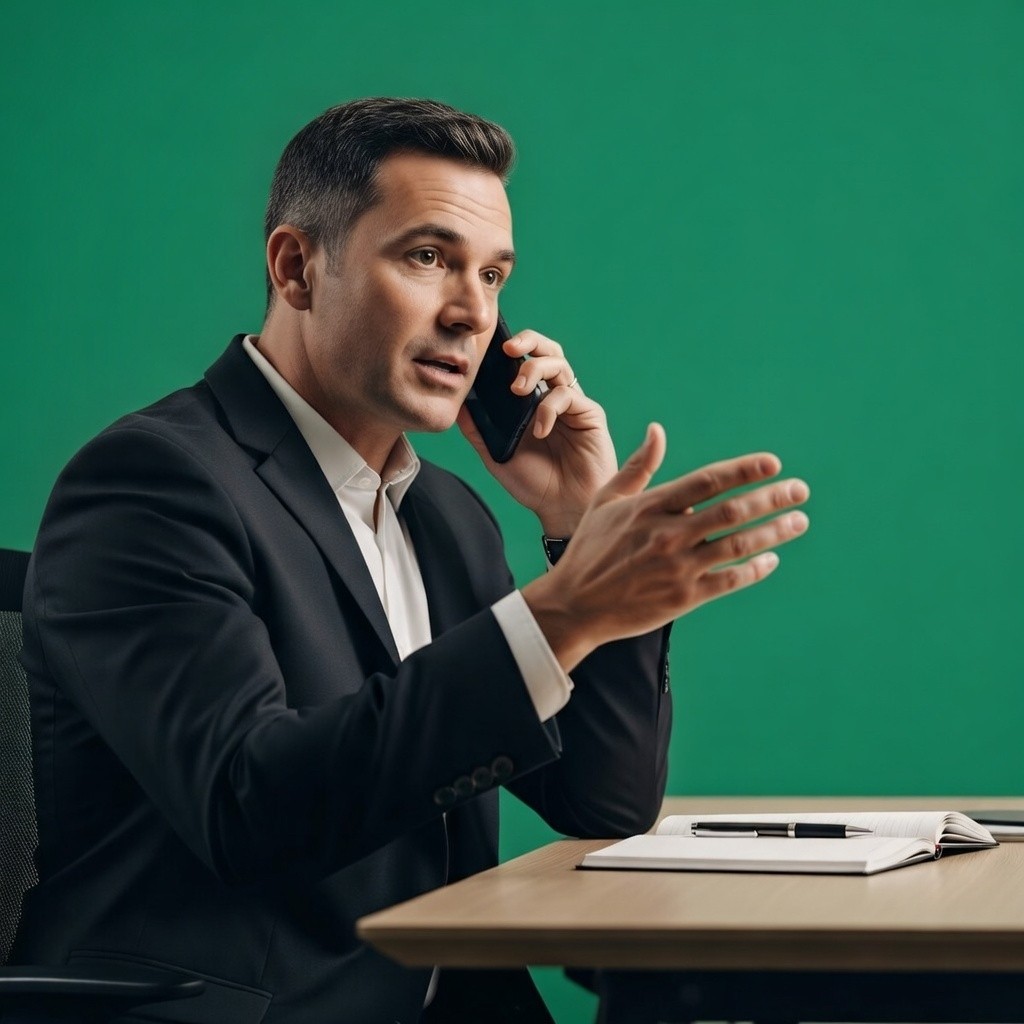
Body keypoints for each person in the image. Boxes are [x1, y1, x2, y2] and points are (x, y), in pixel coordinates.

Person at [13, 98, 809, 1023]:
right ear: (297, 267)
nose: (474, 313)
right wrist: (565, 610)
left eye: (495, 274)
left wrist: (580, 526)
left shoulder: (446, 515)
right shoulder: (149, 486)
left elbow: (605, 801)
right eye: (428, 258)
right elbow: (249, 805)